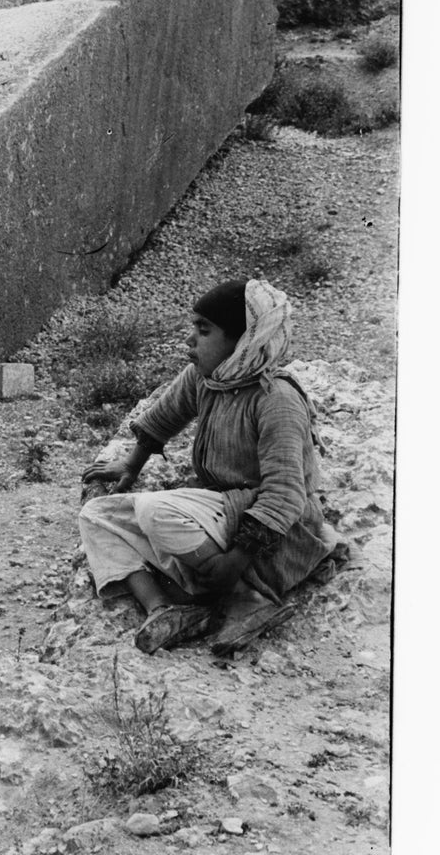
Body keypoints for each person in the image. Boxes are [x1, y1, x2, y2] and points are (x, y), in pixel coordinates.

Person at [78, 278, 340, 654]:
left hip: (275, 534)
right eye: (193, 328)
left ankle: (245, 598)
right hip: (221, 514)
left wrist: (236, 560)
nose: (190, 340)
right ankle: (165, 609)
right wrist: (130, 465)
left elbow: (284, 494)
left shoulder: (275, 399)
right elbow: (165, 416)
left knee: (155, 511)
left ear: (242, 343)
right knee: (96, 514)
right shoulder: (208, 378)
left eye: (204, 331)